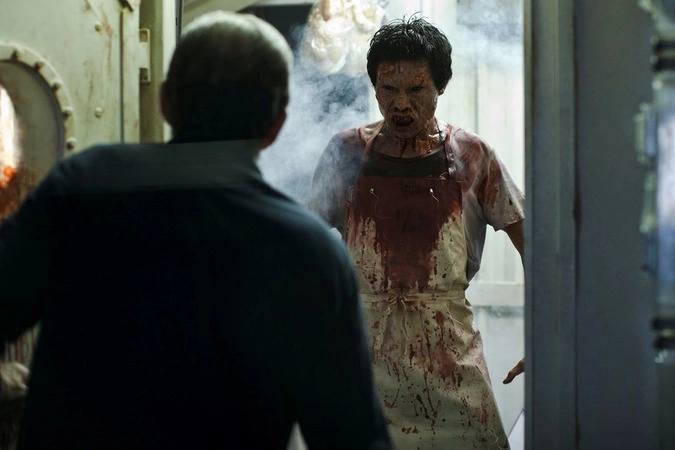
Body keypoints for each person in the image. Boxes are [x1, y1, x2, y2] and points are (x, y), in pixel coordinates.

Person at [0, 11, 392, 450]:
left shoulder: (84, 184)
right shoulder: (308, 249)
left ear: (166, 102)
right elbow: (352, 435)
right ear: (275, 126)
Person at [308, 16, 525, 449]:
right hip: (364, 360)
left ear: (440, 86)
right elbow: (302, 246)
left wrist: (547, 338)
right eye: (388, 89)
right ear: (374, 88)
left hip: (452, 360)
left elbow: (537, 245)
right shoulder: (345, 152)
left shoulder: (472, 155)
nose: (401, 104)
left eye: (416, 89)